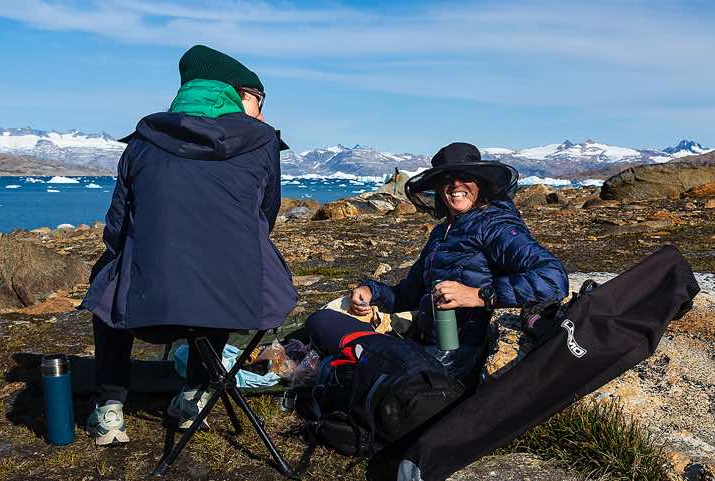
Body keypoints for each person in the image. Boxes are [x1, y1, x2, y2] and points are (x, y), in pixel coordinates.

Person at [80, 45, 297, 445]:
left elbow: (116, 228)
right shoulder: (264, 142)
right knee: (224, 262)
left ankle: (110, 408)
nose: (263, 113)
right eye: (259, 99)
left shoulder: (144, 140)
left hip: (149, 312)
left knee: (107, 273)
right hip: (237, 308)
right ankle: (194, 395)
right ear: (234, 93)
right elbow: (265, 218)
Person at [306, 142, 568, 382]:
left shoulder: (495, 225)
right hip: (426, 344)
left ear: (481, 183)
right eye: (446, 179)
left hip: (458, 355)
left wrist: (479, 295)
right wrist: (371, 292)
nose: (456, 185)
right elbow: (409, 293)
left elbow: (553, 278)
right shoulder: (442, 233)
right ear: (438, 188)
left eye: (465, 177)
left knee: (340, 346)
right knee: (320, 321)